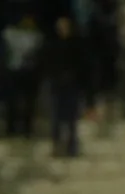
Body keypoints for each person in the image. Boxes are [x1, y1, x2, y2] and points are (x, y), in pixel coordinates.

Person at [44, 17, 86, 157]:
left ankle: (72, 147)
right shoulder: (52, 45)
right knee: (56, 118)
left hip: (72, 86)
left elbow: (82, 66)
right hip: (57, 86)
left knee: (72, 119)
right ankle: (56, 146)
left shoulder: (76, 45)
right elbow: (48, 65)